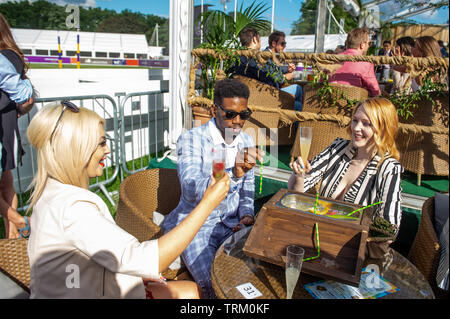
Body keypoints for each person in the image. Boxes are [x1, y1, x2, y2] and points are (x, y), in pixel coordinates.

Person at [26, 101, 230, 298]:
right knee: (201, 292)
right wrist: (207, 204)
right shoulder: (73, 209)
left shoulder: (52, 193)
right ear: (77, 149)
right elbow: (147, 260)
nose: (107, 150)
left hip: (98, 285)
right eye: (101, 143)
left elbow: (94, 258)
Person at [162, 79, 264, 298]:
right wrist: (232, 173)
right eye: (230, 114)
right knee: (214, 287)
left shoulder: (246, 140)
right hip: (195, 225)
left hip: (232, 226)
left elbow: (248, 188)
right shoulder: (191, 139)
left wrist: (246, 214)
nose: (237, 122)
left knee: (250, 282)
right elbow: (190, 189)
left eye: (243, 115)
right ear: (213, 110)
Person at [288, 97, 403, 229]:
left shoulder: (388, 168)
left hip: (353, 244)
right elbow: (296, 192)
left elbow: (389, 229)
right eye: (355, 120)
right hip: (318, 231)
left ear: (383, 129)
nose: (356, 128)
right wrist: (299, 175)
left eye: (366, 123)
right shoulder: (338, 148)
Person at [0, 13, 35, 239]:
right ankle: (13, 235)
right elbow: (25, 97)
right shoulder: (12, 55)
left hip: (4, 125)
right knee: (6, 180)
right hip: (8, 124)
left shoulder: (5, 57)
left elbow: (25, 96)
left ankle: (17, 222)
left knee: (5, 180)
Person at [329, 27, 381, 97]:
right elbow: (375, 90)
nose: (369, 46)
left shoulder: (332, 59)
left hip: (328, 102)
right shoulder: (365, 63)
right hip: (353, 104)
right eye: (369, 43)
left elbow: (321, 82)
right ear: (362, 45)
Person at [262, 30, 303, 111]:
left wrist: (286, 68)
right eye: (282, 43)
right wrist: (285, 77)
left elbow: (275, 69)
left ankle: (291, 116)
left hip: (272, 89)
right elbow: (273, 75)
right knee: (298, 89)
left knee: (297, 104)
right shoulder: (265, 56)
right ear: (274, 44)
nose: (284, 46)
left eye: (285, 43)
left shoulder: (272, 55)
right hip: (269, 92)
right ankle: (295, 120)